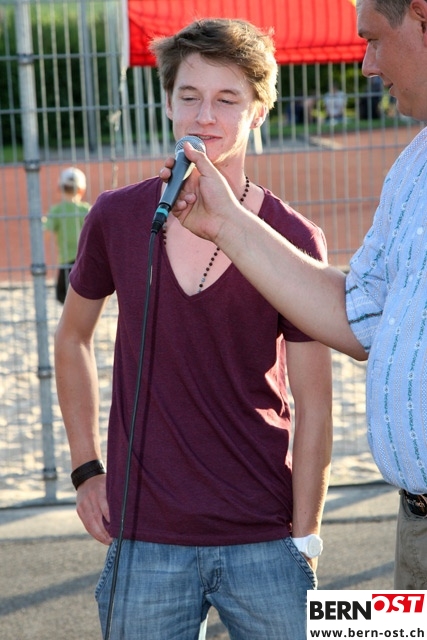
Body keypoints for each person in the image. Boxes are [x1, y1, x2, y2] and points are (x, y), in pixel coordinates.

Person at [54, 18, 333, 640]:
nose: (204, 116)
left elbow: (315, 404)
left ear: (259, 111)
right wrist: (86, 468)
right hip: (144, 539)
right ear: (167, 103)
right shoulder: (116, 216)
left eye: (227, 99)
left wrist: (305, 535)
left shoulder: (294, 239)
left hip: (265, 538)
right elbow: (72, 337)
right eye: (189, 96)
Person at [163, 0, 427, 591]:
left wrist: (305, 534)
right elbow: (357, 316)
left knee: (335, 627)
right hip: (414, 523)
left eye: (374, 40)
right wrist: (227, 223)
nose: (367, 65)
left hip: (267, 528)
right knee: (384, 629)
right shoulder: (413, 168)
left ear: (422, 17)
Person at [44, 166, 90, 303]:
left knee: (62, 295)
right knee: (85, 294)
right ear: (82, 190)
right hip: (85, 260)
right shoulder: (86, 209)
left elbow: (46, 233)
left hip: (66, 261)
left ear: (60, 188)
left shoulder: (57, 211)